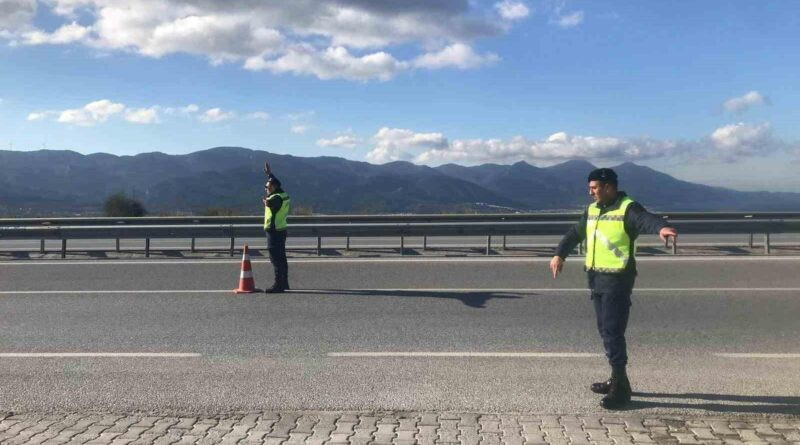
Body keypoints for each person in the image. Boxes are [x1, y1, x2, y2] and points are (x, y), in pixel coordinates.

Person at [549, 168, 677, 409]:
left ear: (609, 187)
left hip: (618, 279)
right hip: (596, 277)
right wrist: (560, 254)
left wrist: (660, 227)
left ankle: (621, 390)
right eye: (590, 188)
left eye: (594, 188)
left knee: (613, 332)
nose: (590, 192)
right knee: (605, 330)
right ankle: (617, 379)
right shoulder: (592, 210)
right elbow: (575, 233)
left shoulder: (627, 207)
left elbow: (644, 219)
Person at [262, 161, 291, 293]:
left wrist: (265, 202)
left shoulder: (275, 198)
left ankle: (278, 285)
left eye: (267, 187)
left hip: (274, 232)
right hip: (281, 230)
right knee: (282, 259)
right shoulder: (282, 194)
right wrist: (269, 174)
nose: (266, 189)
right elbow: (274, 181)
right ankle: (284, 282)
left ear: (273, 187)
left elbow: (268, 202)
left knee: (276, 260)